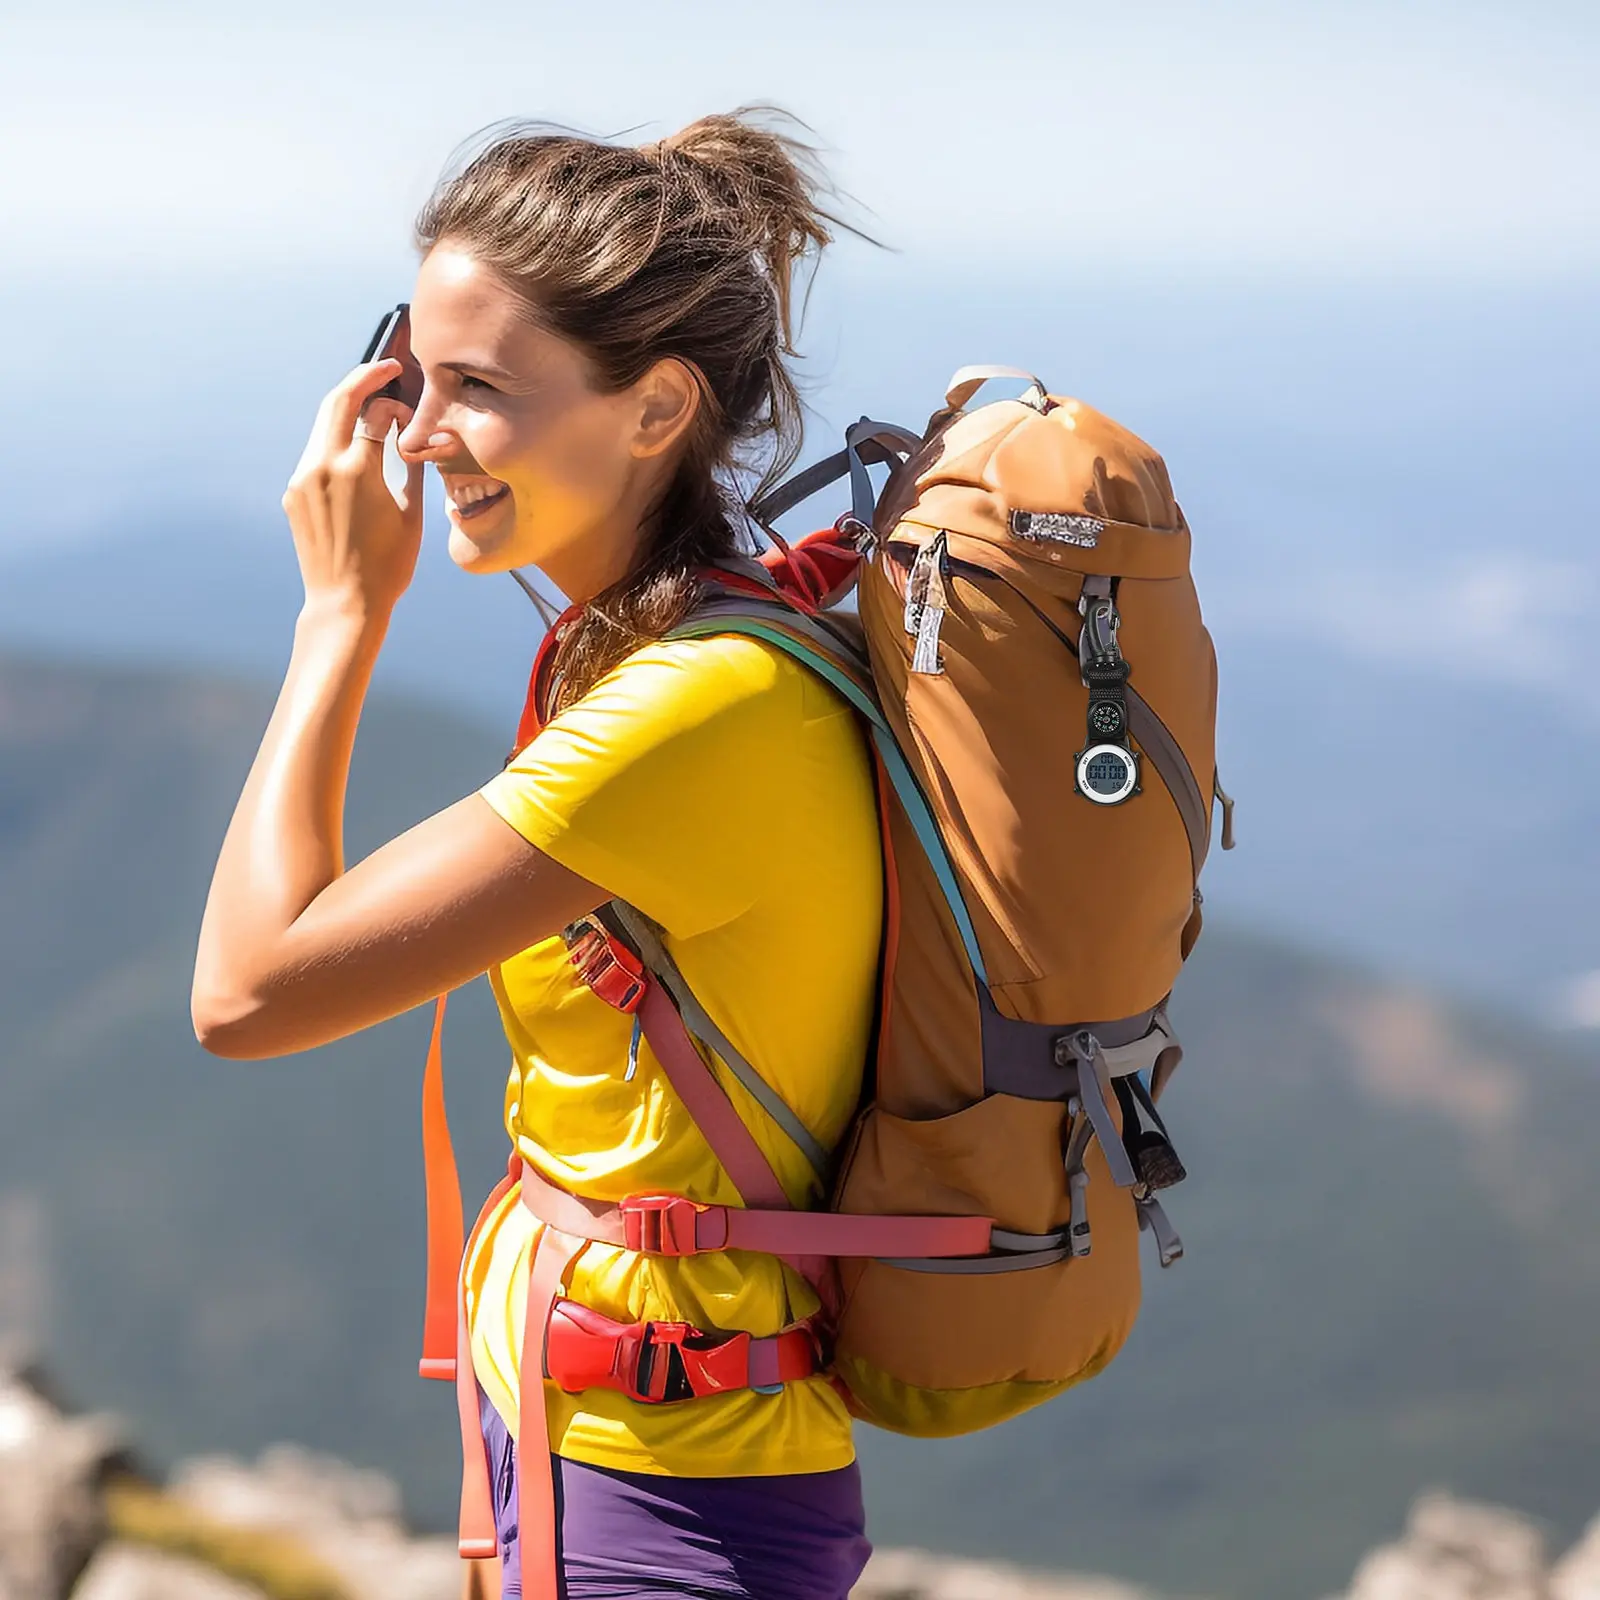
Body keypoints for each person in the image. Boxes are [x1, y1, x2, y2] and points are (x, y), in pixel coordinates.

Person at [191, 106, 883, 1600]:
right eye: (414, 377)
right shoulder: (673, 645)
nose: (422, 434)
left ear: (653, 411)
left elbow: (245, 996)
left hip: (666, 1490)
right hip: (607, 1438)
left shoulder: (695, 709)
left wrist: (338, 623)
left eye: (477, 390)